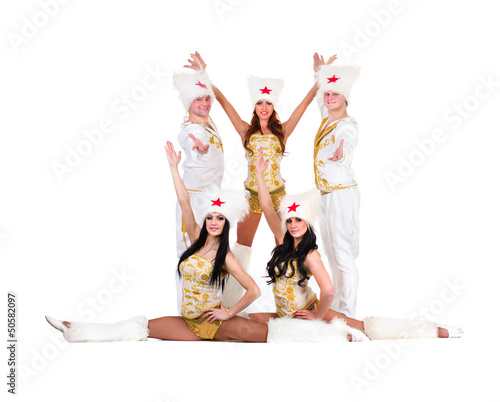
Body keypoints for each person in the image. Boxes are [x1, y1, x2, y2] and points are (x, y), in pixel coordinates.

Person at [45, 142, 267, 343]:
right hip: (190, 323)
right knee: (138, 328)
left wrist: (227, 313)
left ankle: (294, 325)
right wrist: (173, 167)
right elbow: (185, 203)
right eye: (210, 216)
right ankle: (73, 329)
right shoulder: (196, 239)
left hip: (215, 323)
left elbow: (253, 290)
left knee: (265, 335)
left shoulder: (225, 256)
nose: (214, 222)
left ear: (225, 223)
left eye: (220, 218)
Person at [247, 149, 462, 340]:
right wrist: (259, 174)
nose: (293, 225)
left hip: (305, 311)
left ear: (308, 223)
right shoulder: (282, 239)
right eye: (290, 220)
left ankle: (437, 331)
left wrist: (317, 316)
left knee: (366, 328)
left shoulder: (310, 254)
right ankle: (337, 333)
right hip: (286, 315)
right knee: (249, 319)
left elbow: (328, 291)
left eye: (299, 220)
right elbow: (266, 205)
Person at [184, 52, 335, 308]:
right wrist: (204, 76)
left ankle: (292, 301)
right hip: (251, 195)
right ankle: (230, 301)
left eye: (268, 103)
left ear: (273, 106)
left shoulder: (282, 132)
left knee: (284, 244)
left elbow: (305, 104)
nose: (264, 107)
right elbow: (222, 101)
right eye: (259, 103)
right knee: (241, 247)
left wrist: (320, 77)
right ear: (254, 106)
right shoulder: (246, 131)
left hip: (277, 195)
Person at [171, 69, 225, 313]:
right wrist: (198, 145)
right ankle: (187, 311)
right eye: (198, 99)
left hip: (212, 201)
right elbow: (190, 137)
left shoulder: (207, 122)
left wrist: (203, 72)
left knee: (214, 252)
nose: (204, 103)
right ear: (188, 104)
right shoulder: (192, 129)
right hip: (192, 201)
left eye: (207, 98)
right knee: (189, 253)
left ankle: (211, 306)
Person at [313, 63, 362, 317]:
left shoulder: (346, 125)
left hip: (341, 195)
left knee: (342, 256)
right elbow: (322, 105)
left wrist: (342, 151)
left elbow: (348, 139)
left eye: (335, 94)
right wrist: (319, 75)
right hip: (326, 196)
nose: (330, 98)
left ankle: (349, 315)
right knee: (332, 255)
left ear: (345, 98)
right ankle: (336, 310)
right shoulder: (327, 120)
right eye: (327, 93)